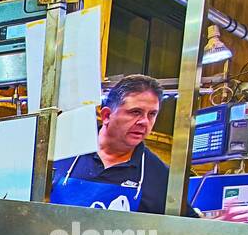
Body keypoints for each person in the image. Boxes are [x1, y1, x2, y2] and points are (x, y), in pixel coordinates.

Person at [51, 74, 172, 214]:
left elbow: (183, 227)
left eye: (151, 114)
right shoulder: (61, 151)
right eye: (135, 112)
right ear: (107, 116)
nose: (144, 122)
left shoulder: (159, 174)